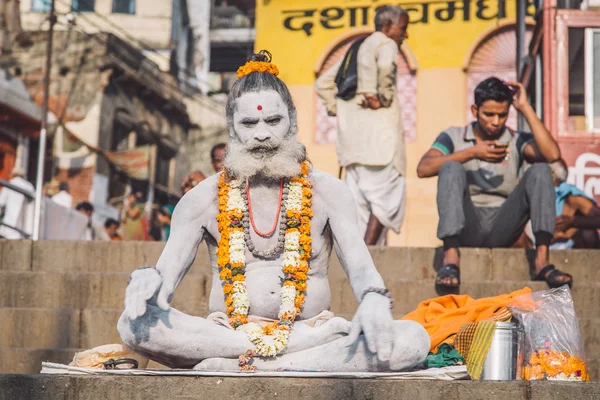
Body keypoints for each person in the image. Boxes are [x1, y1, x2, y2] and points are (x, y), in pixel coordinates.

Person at [118, 50, 429, 372]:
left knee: (412, 339)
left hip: (311, 330)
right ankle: (274, 357)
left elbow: (362, 268)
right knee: (133, 325)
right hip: (224, 334)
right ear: (232, 127)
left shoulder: (329, 192)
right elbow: (164, 279)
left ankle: (251, 364)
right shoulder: (203, 198)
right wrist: (146, 279)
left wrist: (373, 297)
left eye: (273, 120)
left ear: (292, 121)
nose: (262, 134)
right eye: (249, 123)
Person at [416, 77, 570, 291]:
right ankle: (451, 259)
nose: (496, 122)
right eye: (489, 114)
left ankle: (542, 260)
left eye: (502, 115)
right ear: (474, 110)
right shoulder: (454, 136)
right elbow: (423, 168)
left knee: (541, 169)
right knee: (450, 167)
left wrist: (524, 107)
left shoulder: (516, 139)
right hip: (467, 224)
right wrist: (472, 152)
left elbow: (552, 154)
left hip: (504, 224)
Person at [315, 6, 409, 246]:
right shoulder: (385, 44)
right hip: (381, 145)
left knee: (360, 208)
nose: (405, 35)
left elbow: (323, 83)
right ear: (388, 27)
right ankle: (367, 255)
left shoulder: (355, 49)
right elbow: (387, 68)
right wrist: (384, 96)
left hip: (352, 147)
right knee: (385, 201)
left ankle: (360, 262)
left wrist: (341, 109)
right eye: (403, 28)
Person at [0, 167, 34, 239]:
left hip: (10, 217)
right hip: (24, 218)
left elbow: (1, 201)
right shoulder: (29, 186)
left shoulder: (10, 184)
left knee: (10, 232)